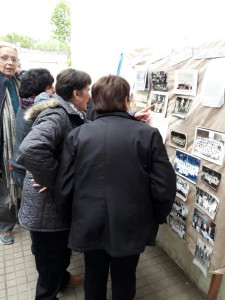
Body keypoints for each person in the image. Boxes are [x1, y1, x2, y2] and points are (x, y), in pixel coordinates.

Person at [53, 75, 177, 300]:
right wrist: (157, 216)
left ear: (94, 100)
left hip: (88, 220)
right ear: (126, 100)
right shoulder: (147, 134)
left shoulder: (77, 135)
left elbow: (65, 186)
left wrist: (70, 217)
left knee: (94, 275)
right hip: (131, 222)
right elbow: (164, 184)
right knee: (125, 276)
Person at [16, 68, 91, 299]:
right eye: (88, 90)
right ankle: (49, 291)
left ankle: (62, 279)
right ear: (76, 93)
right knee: (49, 261)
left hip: (53, 205)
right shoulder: (57, 115)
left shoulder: (67, 111)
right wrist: (54, 179)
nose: (90, 95)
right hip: (45, 207)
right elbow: (31, 148)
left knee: (59, 253)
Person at [9, 68, 55, 189]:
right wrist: (44, 176)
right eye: (50, 87)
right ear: (39, 90)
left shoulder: (24, 103)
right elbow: (34, 148)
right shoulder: (40, 109)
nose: (54, 90)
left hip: (18, 165)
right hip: (29, 171)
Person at [0, 44, 20, 245]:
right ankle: (5, 226)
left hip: (17, 143)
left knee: (17, 183)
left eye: (13, 59)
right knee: (5, 188)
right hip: (2, 146)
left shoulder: (16, 82)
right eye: (4, 58)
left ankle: (16, 215)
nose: (9, 63)